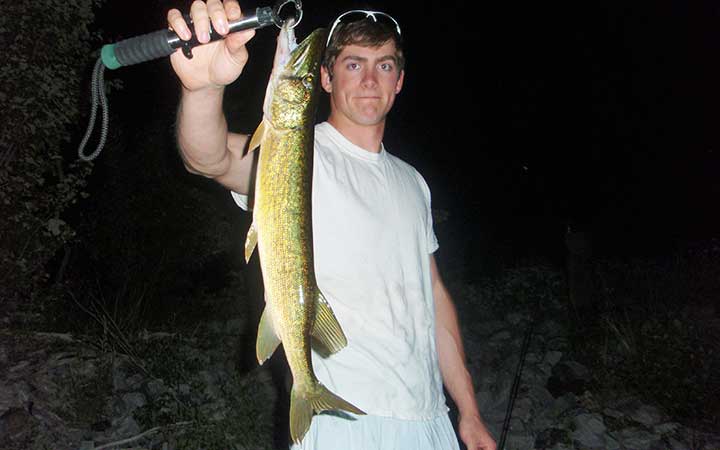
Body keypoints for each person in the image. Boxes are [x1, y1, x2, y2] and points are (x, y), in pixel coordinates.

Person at [168, 1, 497, 449]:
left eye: (383, 65)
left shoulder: (413, 183)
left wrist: (470, 412)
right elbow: (209, 157)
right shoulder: (299, 151)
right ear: (325, 78)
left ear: (398, 81)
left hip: (428, 419)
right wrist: (202, 89)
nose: (368, 80)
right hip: (344, 421)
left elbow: (434, 298)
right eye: (352, 64)